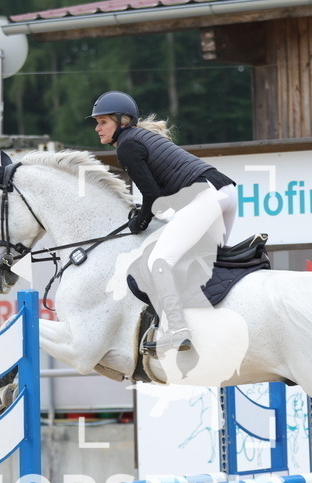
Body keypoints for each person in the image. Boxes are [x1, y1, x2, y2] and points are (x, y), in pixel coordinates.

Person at [89, 90, 237, 355]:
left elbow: (152, 196)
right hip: (226, 193)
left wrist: (140, 222)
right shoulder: (139, 138)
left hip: (205, 197)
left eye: (103, 122)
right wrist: (144, 214)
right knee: (200, 264)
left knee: (159, 263)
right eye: (97, 123)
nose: (97, 128)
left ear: (122, 121)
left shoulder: (127, 146)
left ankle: (179, 331)